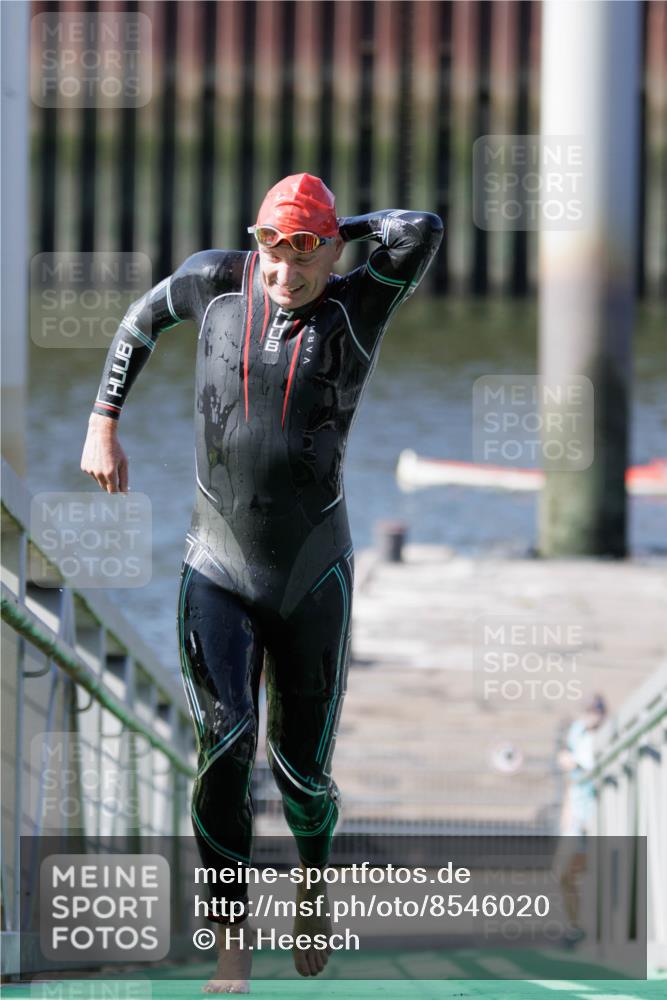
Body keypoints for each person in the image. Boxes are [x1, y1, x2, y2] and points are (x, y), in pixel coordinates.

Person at [81, 173, 443, 991]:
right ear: (254, 244)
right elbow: (138, 323)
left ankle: (312, 886)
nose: (286, 270)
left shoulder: (359, 303)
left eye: (304, 252)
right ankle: (230, 940)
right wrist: (103, 423)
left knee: (301, 774)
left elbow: (420, 227)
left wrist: (325, 226)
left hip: (314, 571)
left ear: (331, 252)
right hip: (217, 560)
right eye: (272, 248)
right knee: (223, 746)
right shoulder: (214, 283)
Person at [556, 692, 608, 946]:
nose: (592, 716)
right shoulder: (576, 732)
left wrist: (573, 762)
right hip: (577, 817)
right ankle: (575, 927)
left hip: (604, 813)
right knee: (563, 873)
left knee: (599, 874)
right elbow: (571, 781)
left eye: (596, 711)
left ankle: (598, 930)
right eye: (588, 710)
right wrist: (567, 813)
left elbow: (591, 767)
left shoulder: (609, 734)